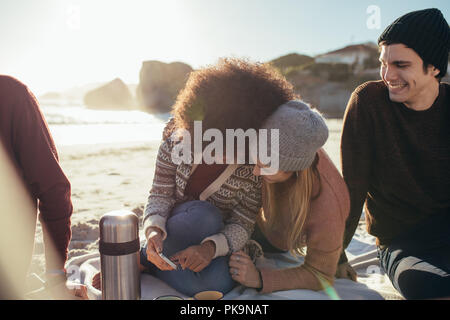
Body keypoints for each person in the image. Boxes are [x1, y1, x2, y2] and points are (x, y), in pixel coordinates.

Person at [92, 58, 299, 296]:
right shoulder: (176, 142)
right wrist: (153, 232)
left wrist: (209, 249)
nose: (219, 151)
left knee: (218, 284)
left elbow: (242, 223)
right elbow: (159, 195)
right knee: (204, 214)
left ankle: (153, 264)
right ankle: (146, 257)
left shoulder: (254, 167)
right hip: (177, 226)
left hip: (214, 241)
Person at [335, 8, 450, 299]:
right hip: (402, 240)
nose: (388, 75)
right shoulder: (368, 103)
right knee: (423, 285)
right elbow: (351, 187)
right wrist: (336, 254)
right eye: (383, 63)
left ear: (434, 67)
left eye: (401, 64)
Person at [226, 100, 351, 294]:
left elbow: (321, 275)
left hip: (277, 238)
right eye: (255, 157)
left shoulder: (329, 203)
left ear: (294, 170)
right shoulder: (285, 130)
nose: (256, 171)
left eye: (266, 165)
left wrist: (259, 278)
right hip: (246, 217)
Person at [0, 75, 84, 299]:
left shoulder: (10, 95)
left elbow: (53, 190)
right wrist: (56, 277)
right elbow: (54, 190)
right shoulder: (11, 94)